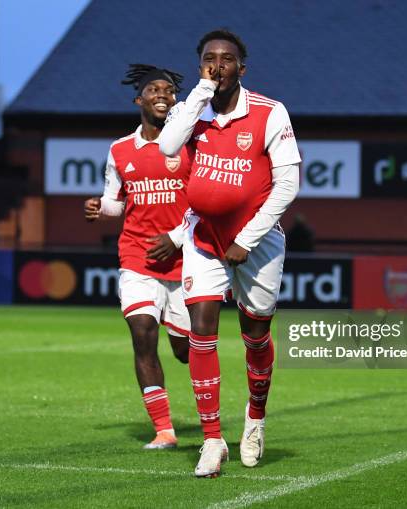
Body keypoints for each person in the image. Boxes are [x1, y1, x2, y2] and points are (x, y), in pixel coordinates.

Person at [155, 29, 301, 477]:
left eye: (226, 59)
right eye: (208, 58)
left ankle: (255, 419)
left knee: (255, 336)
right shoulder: (192, 109)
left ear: (243, 67)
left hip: (255, 242)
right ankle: (213, 439)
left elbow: (288, 185)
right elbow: (166, 146)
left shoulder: (269, 112)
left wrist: (248, 238)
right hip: (203, 237)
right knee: (202, 327)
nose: (218, 64)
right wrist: (200, 90)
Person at [84, 64, 193, 450]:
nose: (163, 94)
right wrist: (101, 207)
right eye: (154, 90)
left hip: (185, 262)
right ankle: (164, 430)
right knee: (143, 335)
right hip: (137, 259)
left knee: (183, 351)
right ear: (139, 100)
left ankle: (186, 350)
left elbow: (204, 204)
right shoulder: (119, 149)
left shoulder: (190, 144)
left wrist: (178, 239)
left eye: (169, 90)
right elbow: (117, 204)